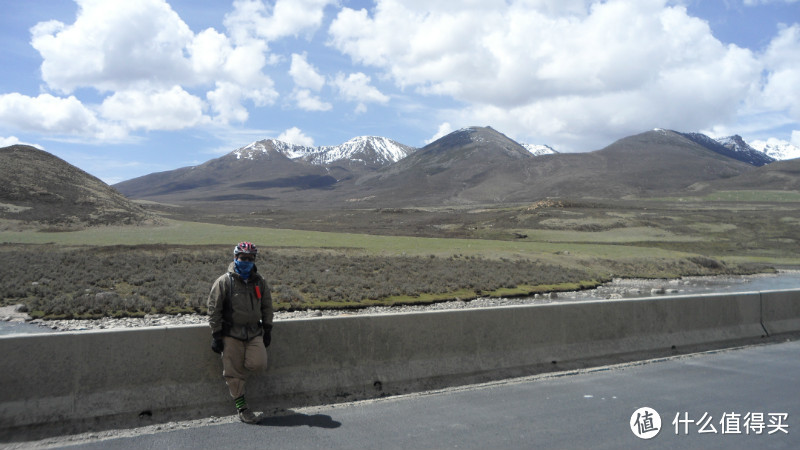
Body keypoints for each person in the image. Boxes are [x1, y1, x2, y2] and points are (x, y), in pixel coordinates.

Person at [207, 241, 273, 424]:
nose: (246, 261)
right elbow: (214, 309)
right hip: (231, 334)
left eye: (250, 259)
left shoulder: (260, 282)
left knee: (259, 363)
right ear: (235, 258)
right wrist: (216, 334)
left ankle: (240, 377)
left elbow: (267, 306)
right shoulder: (224, 282)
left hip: (254, 332)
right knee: (233, 373)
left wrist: (268, 329)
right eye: (243, 258)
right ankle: (242, 407)